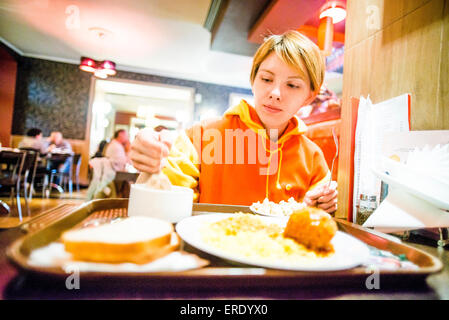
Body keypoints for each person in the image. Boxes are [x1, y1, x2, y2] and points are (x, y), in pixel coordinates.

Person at [130, 30, 337, 213]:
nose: (275, 93)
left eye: (292, 85)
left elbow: (315, 219)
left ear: (310, 96)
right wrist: (152, 164)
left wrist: (317, 207)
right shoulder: (201, 136)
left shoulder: (313, 158)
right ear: (253, 80)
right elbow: (162, 202)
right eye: (266, 79)